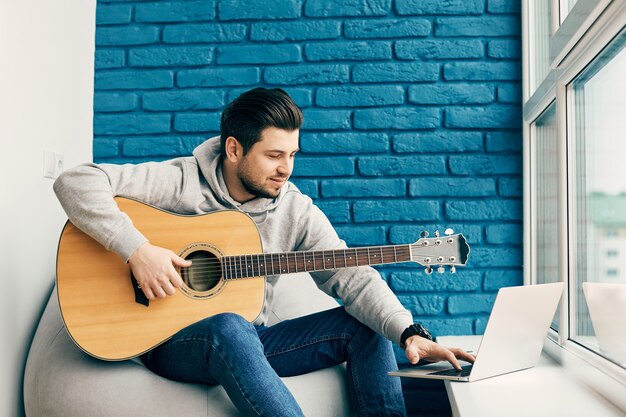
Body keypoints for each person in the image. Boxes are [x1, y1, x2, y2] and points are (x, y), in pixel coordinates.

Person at [53, 87, 474, 417]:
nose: (286, 168)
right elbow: (75, 182)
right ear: (234, 149)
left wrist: (409, 332)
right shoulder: (182, 181)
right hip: (164, 340)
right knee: (229, 326)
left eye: (291, 155)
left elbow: (353, 276)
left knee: (362, 327)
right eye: (274, 155)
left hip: (248, 345)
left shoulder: (294, 209)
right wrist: (138, 251)